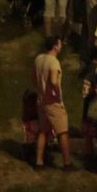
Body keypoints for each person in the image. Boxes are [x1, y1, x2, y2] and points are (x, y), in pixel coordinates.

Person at [32, 36, 72, 170]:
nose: (61, 46)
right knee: (63, 132)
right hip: (52, 102)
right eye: (60, 44)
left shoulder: (38, 59)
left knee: (43, 131)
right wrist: (57, 94)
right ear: (55, 46)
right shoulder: (54, 62)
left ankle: (39, 162)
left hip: (41, 101)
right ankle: (67, 163)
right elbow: (54, 81)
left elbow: (33, 78)